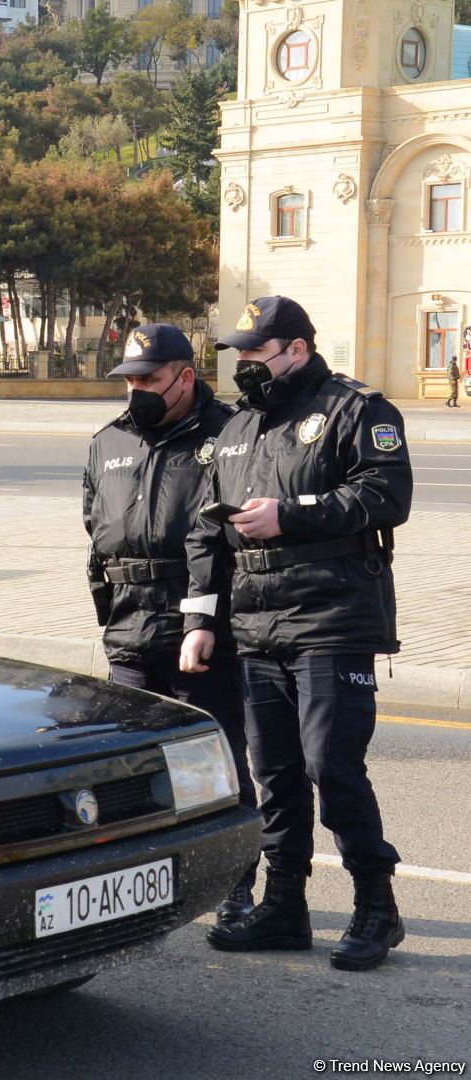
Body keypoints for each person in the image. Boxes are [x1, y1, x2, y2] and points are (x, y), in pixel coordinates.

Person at [182, 295, 413, 972]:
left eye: (256, 356)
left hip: (333, 617)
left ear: (297, 350)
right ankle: (284, 905)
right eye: (239, 358)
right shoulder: (236, 429)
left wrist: (292, 514)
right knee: (276, 773)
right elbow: (206, 529)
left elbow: (386, 495)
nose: (245, 369)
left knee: (330, 765)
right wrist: (200, 620)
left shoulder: (355, 410)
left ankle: (377, 905)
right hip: (255, 621)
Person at [83, 322, 258, 927]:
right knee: (126, 767)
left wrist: (207, 616)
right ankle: (136, 887)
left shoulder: (230, 435)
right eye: (128, 379)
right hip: (130, 628)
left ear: (186, 376)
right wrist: (110, 612)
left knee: (212, 762)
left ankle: (235, 885)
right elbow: (95, 531)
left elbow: (228, 537)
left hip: (201, 627)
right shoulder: (108, 442)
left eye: (149, 379)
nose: (136, 390)